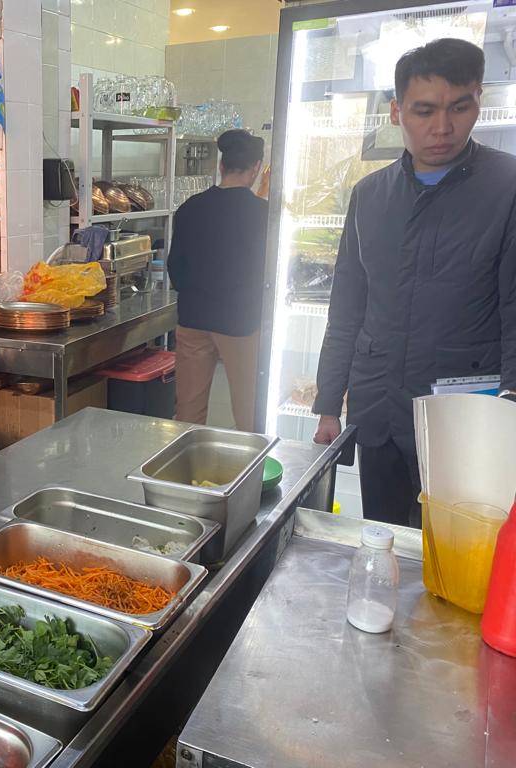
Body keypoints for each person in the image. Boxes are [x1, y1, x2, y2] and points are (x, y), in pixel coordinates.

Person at [313, 38, 516, 528]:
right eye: (424, 111)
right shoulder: (369, 194)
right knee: (383, 537)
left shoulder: (507, 186)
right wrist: (328, 403)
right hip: (378, 408)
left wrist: (511, 408)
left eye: (459, 107)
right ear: (396, 111)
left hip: (463, 417)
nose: (442, 127)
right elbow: (347, 307)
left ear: (478, 101)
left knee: (455, 547)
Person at [168, 129, 268, 431]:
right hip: (240, 322)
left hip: (194, 319)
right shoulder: (263, 213)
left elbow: (176, 269)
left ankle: (185, 459)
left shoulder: (190, 208)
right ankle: (251, 461)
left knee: (188, 410)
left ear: (221, 166)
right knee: (248, 412)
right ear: (255, 169)